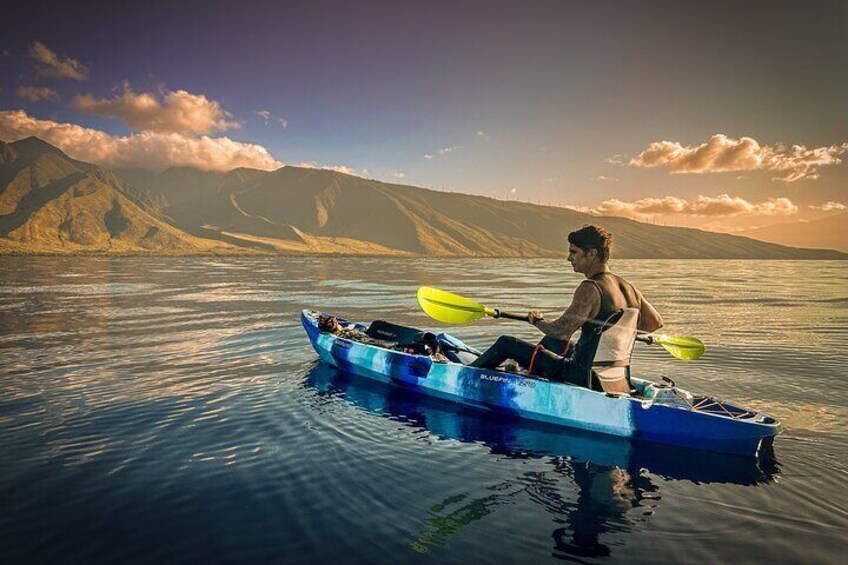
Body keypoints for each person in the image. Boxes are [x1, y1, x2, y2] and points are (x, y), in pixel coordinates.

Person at [469, 225, 663, 391]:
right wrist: (615, 334)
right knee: (554, 343)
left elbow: (561, 331)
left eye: (574, 252)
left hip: (582, 376)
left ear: (592, 254)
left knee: (506, 343)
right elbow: (655, 323)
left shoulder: (590, 288)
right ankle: (528, 373)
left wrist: (537, 320)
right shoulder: (629, 288)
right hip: (615, 378)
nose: (569, 258)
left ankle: (464, 375)